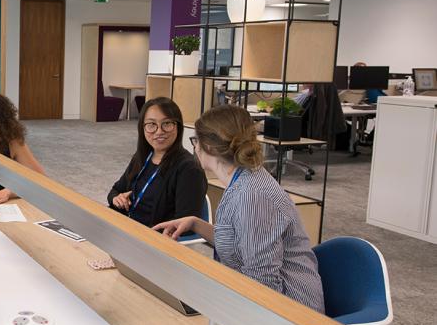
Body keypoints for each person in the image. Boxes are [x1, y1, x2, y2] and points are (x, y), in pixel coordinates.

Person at [153, 105, 325, 313]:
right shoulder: (242, 180)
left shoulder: (252, 196)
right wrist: (196, 224)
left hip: (291, 313)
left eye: (196, 141)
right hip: (259, 300)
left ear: (211, 147)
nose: (194, 147)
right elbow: (242, 243)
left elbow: (262, 282)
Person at [106, 97, 206, 228]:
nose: (159, 131)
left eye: (166, 124)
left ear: (178, 126)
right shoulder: (142, 156)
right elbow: (115, 190)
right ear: (143, 128)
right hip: (126, 226)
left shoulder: (188, 169)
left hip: (152, 238)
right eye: (151, 125)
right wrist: (116, 198)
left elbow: (186, 226)